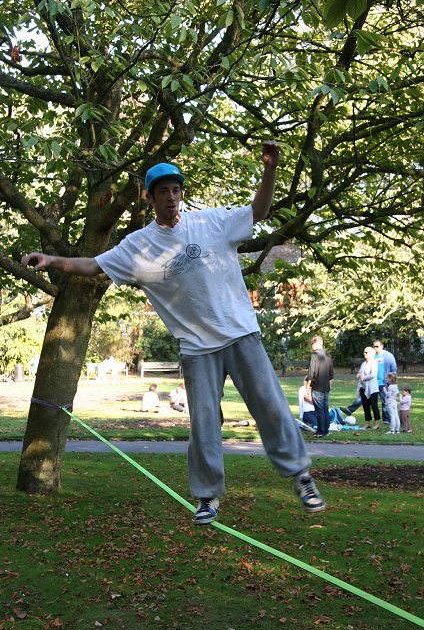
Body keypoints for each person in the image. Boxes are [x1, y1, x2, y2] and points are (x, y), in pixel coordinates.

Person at [21, 142, 326, 524]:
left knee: (272, 408)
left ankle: (300, 476)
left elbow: (258, 211)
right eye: (163, 191)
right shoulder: (138, 247)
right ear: (150, 197)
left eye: (176, 190)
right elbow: (93, 265)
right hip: (197, 348)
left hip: (241, 334)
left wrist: (270, 168)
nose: (171, 197)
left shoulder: (211, 222)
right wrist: (52, 260)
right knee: (203, 424)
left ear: (182, 193)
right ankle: (207, 497)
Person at [306, 335, 334, 438]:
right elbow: (331, 373)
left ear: (314, 343)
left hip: (317, 386)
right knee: (325, 409)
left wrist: (308, 386)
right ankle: (326, 430)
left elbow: (311, 371)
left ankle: (320, 431)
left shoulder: (314, 355)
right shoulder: (328, 355)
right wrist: (329, 385)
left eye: (311, 344)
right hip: (326, 386)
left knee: (319, 410)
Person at [373, 339, 397, 425]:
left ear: (382, 346)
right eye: (374, 346)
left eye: (377, 346)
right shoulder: (372, 356)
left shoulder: (388, 355)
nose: (375, 348)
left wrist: (390, 381)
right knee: (373, 402)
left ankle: (387, 419)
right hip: (373, 383)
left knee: (385, 402)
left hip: (384, 383)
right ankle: (377, 420)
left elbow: (394, 368)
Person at [357, 347, 380, 430]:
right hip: (363, 388)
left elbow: (373, 375)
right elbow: (358, 374)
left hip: (372, 389)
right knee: (365, 406)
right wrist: (360, 376)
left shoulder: (374, 363)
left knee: (374, 406)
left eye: (366, 352)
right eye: (364, 352)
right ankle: (367, 423)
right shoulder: (363, 364)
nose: (364, 354)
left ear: (371, 353)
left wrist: (363, 377)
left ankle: (376, 423)